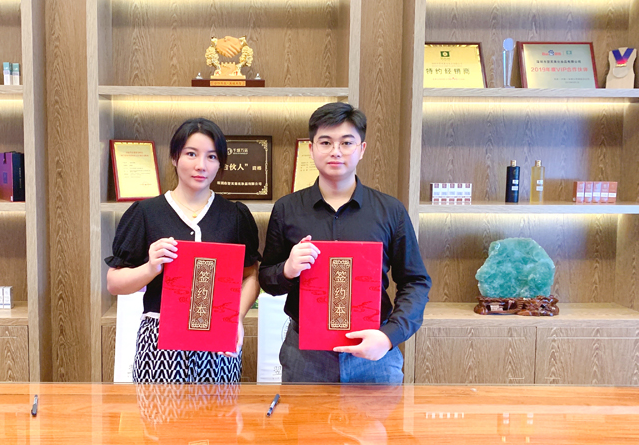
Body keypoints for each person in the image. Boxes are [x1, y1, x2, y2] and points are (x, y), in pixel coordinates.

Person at [259, 102, 431, 384]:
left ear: (361, 149)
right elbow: (267, 279)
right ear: (311, 148)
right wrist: (287, 269)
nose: (335, 151)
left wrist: (389, 336)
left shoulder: (390, 210)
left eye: (346, 143)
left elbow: (415, 281)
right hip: (305, 355)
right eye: (325, 142)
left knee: (381, 416)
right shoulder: (287, 209)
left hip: (374, 352)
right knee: (304, 416)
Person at [106, 118, 261, 384]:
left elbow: (251, 276)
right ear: (174, 157)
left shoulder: (235, 216)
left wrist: (235, 317)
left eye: (212, 156)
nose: (201, 165)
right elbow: (114, 283)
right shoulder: (145, 213)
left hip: (218, 339)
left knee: (218, 410)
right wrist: (150, 268)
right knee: (158, 411)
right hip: (159, 341)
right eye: (191, 154)